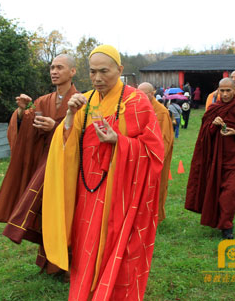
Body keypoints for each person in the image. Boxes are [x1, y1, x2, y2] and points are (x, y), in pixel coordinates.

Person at [42, 45, 164, 300]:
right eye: (92, 72)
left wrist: (119, 142)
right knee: (87, 250)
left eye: (104, 72)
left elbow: (154, 151)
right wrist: (69, 115)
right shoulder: (87, 102)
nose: (97, 78)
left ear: (120, 70)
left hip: (123, 196)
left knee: (121, 254)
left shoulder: (136, 101)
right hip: (89, 193)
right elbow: (69, 144)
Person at [0, 54, 78, 272]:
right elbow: (27, 123)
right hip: (45, 161)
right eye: (52, 67)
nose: (54, 72)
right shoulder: (43, 101)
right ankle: (49, 261)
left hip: (70, 165)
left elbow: (85, 131)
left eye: (60, 67)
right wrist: (21, 112)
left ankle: (70, 264)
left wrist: (56, 128)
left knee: (68, 213)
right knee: (46, 210)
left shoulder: (81, 100)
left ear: (72, 72)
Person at [185, 78, 235, 239]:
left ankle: (226, 225)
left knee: (229, 191)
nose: (224, 94)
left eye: (228, 90)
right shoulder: (214, 108)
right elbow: (204, 134)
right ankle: (217, 219)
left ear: (234, 90)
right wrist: (213, 125)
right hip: (215, 156)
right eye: (221, 91)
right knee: (215, 187)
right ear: (218, 91)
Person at [138, 82, 175, 222]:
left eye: (143, 93)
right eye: (138, 93)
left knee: (157, 187)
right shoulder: (139, 107)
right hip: (140, 155)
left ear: (152, 94)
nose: (140, 96)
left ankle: (156, 216)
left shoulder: (161, 112)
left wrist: (155, 158)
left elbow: (164, 139)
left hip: (156, 158)